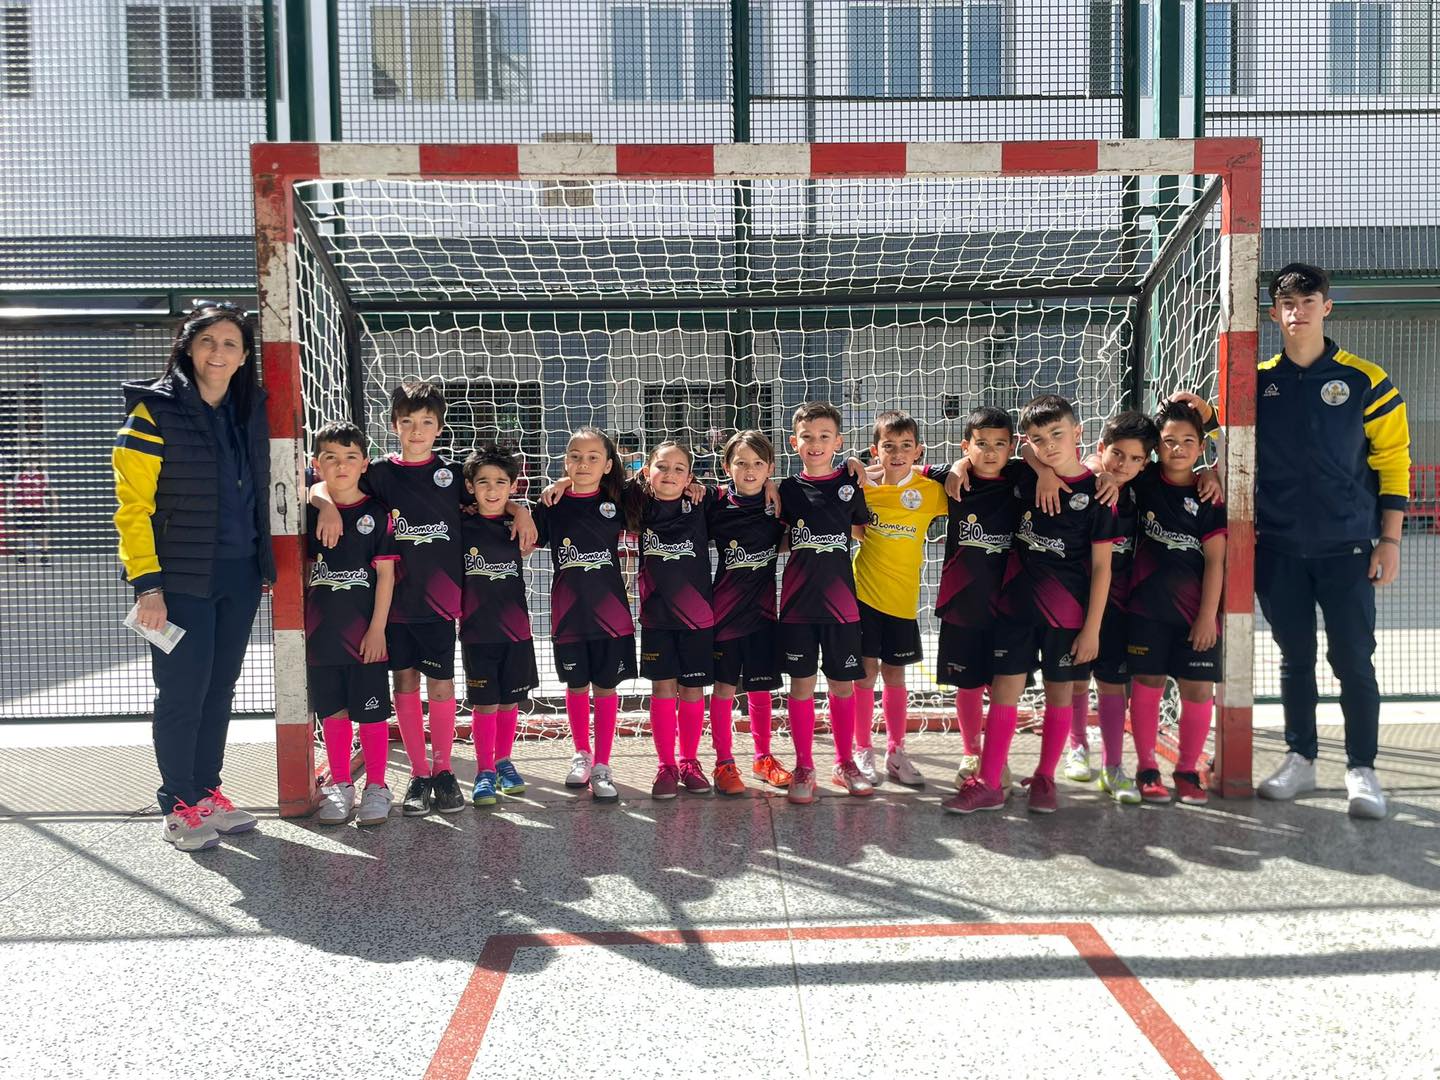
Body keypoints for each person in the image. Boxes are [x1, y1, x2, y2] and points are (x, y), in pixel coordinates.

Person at [113, 301, 272, 851]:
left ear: (244, 355)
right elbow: (132, 508)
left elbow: (271, 480)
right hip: (177, 580)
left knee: (220, 689)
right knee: (183, 691)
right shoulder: (152, 413)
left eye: (230, 343)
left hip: (240, 572)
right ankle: (179, 805)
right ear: (187, 347)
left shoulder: (249, 410)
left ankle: (207, 792)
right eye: (208, 341)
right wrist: (147, 586)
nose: (219, 352)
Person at [1254, 263, 1411, 819]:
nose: (1298, 312)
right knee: (1294, 660)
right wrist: (1201, 415)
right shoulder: (1254, 381)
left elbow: (1393, 463)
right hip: (1276, 550)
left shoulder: (1368, 380)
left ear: (1327, 307)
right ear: (1274, 314)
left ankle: (1362, 770)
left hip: (1347, 549)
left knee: (1353, 661)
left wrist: (1388, 541)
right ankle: (1300, 758)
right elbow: (1222, 440)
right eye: (1287, 304)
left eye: (1308, 301)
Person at [942, 394, 1118, 815]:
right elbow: (1012, 451)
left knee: (1060, 693)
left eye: (1058, 434)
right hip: (1015, 610)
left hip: (1068, 617)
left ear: (1079, 433)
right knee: (1005, 689)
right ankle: (988, 782)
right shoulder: (1023, 476)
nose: (1049, 444)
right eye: (1039, 439)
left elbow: (1102, 570)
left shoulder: (1100, 495)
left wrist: (1092, 629)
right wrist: (967, 463)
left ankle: (1045, 778)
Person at [1124, 398, 1228, 806]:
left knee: (1198, 690)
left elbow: (1217, 561)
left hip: (1196, 617)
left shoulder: (1209, 495)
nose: (1178, 448)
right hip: (1146, 609)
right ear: (1156, 446)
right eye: (1169, 441)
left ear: (1202, 448)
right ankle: (1147, 767)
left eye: (1188, 441)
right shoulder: (1144, 480)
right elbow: (1108, 461)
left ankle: (1187, 770)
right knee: (1147, 683)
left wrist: (1207, 618)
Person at [532, 427, 637, 804]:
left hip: (611, 614)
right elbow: (526, 540)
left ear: (608, 465)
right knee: (576, 687)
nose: (583, 463)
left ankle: (603, 765)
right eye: (575, 456)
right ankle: (581, 754)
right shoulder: (551, 504)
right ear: (564, 461)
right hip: (568, 615)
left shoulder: (620, 502)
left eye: (594, 457)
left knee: (605, 688)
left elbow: (661, 486)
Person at [306, 422, 399, 827]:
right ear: (316, 464)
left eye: (349, 457)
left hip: (366, 636)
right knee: (333, 712)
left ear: (364, 463)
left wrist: (378, 628)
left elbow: (386, 576)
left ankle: (377, 785)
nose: (340, 466)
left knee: (372, 713)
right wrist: (323, 503)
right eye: (330, 458)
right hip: (321, 635)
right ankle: (340, 783)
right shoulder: (308, 512)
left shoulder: (376, 514)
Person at [776, 401, 870, 803]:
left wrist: (866, 469)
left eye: (824, 436)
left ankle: (845, 761)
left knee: (842, 684)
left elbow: (863, 530)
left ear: (838, 441)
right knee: (801, 685)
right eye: (808, 437)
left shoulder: (851, 483)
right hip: (797, 606)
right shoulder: (785, 489)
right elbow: (777, 538)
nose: (816, 443)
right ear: (794, 442)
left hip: (842, 607)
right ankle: (803, 764)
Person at [926, 407, 1021, 800]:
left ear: (1013, 447)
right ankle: (971, 752)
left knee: (1002, 685)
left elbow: (1046, 459)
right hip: (963, 601)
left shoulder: (1023, 479)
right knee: (965, 684)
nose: (991, 451)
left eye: (1001, 444)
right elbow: (906, 469)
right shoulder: (952, 481)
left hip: (1012, 606)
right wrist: (957, 464)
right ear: (967, 446)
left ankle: (998, 757)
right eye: (981, 445)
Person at [851, 410, 948, 788]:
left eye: (905, 446)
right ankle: (862, 748)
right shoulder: (865, 490)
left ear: (918, 451)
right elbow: (856, 532)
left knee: (895, 675)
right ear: (876, 451)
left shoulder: (930, 493)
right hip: (863, 596)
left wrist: (951, 469)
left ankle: (895, 751)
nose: (896, 453)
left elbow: (965, 480)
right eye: (888, 446)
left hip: (904, 602)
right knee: (864, 675)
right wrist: (857, 469)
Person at [628, 441, 720, 799]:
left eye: (679, 468)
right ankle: (665, 764)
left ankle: (689, 760)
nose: (669, 474)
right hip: (657, 617)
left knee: (693, 689)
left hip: (698, 618)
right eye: (661, 467)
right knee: (663, 689)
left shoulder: (702, 503)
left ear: (690, 477)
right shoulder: (636, 506)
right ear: (647, 472)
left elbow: (745, 492)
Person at [708, 430, 792, 790]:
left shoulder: (780, 505)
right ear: (727, 466)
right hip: (723, 617)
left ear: (770, 467)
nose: (750, 470)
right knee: (724, 689)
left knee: (761, 690)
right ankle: (724, 762)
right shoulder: (714, 503)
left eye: (759, 463)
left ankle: (762, 757)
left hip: (762, 616)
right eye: (741, 462)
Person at [460, 446, 539, 807]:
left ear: (513, 486)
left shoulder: (519, 525)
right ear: (470, 486)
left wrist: (519, 510)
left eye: (500, 483)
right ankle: (484, 771)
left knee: (509, 703)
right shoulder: (460, 524)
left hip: (516, 632)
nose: (492, 490)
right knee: (485, 705)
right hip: (477, 633)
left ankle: (504, 762)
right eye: (484, 482)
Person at [10, 456, 56, 565]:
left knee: (42, 532)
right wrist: (9, 504)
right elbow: (13, 490)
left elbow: (50, 489)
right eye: (29, 462)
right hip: (23, 508)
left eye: (34, 462)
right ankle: (22, 558)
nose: (31, 464)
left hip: (39, 507)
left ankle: (44, 557)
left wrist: (55, 503)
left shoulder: (43, 474)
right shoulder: (19, 475)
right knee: (23, 533)